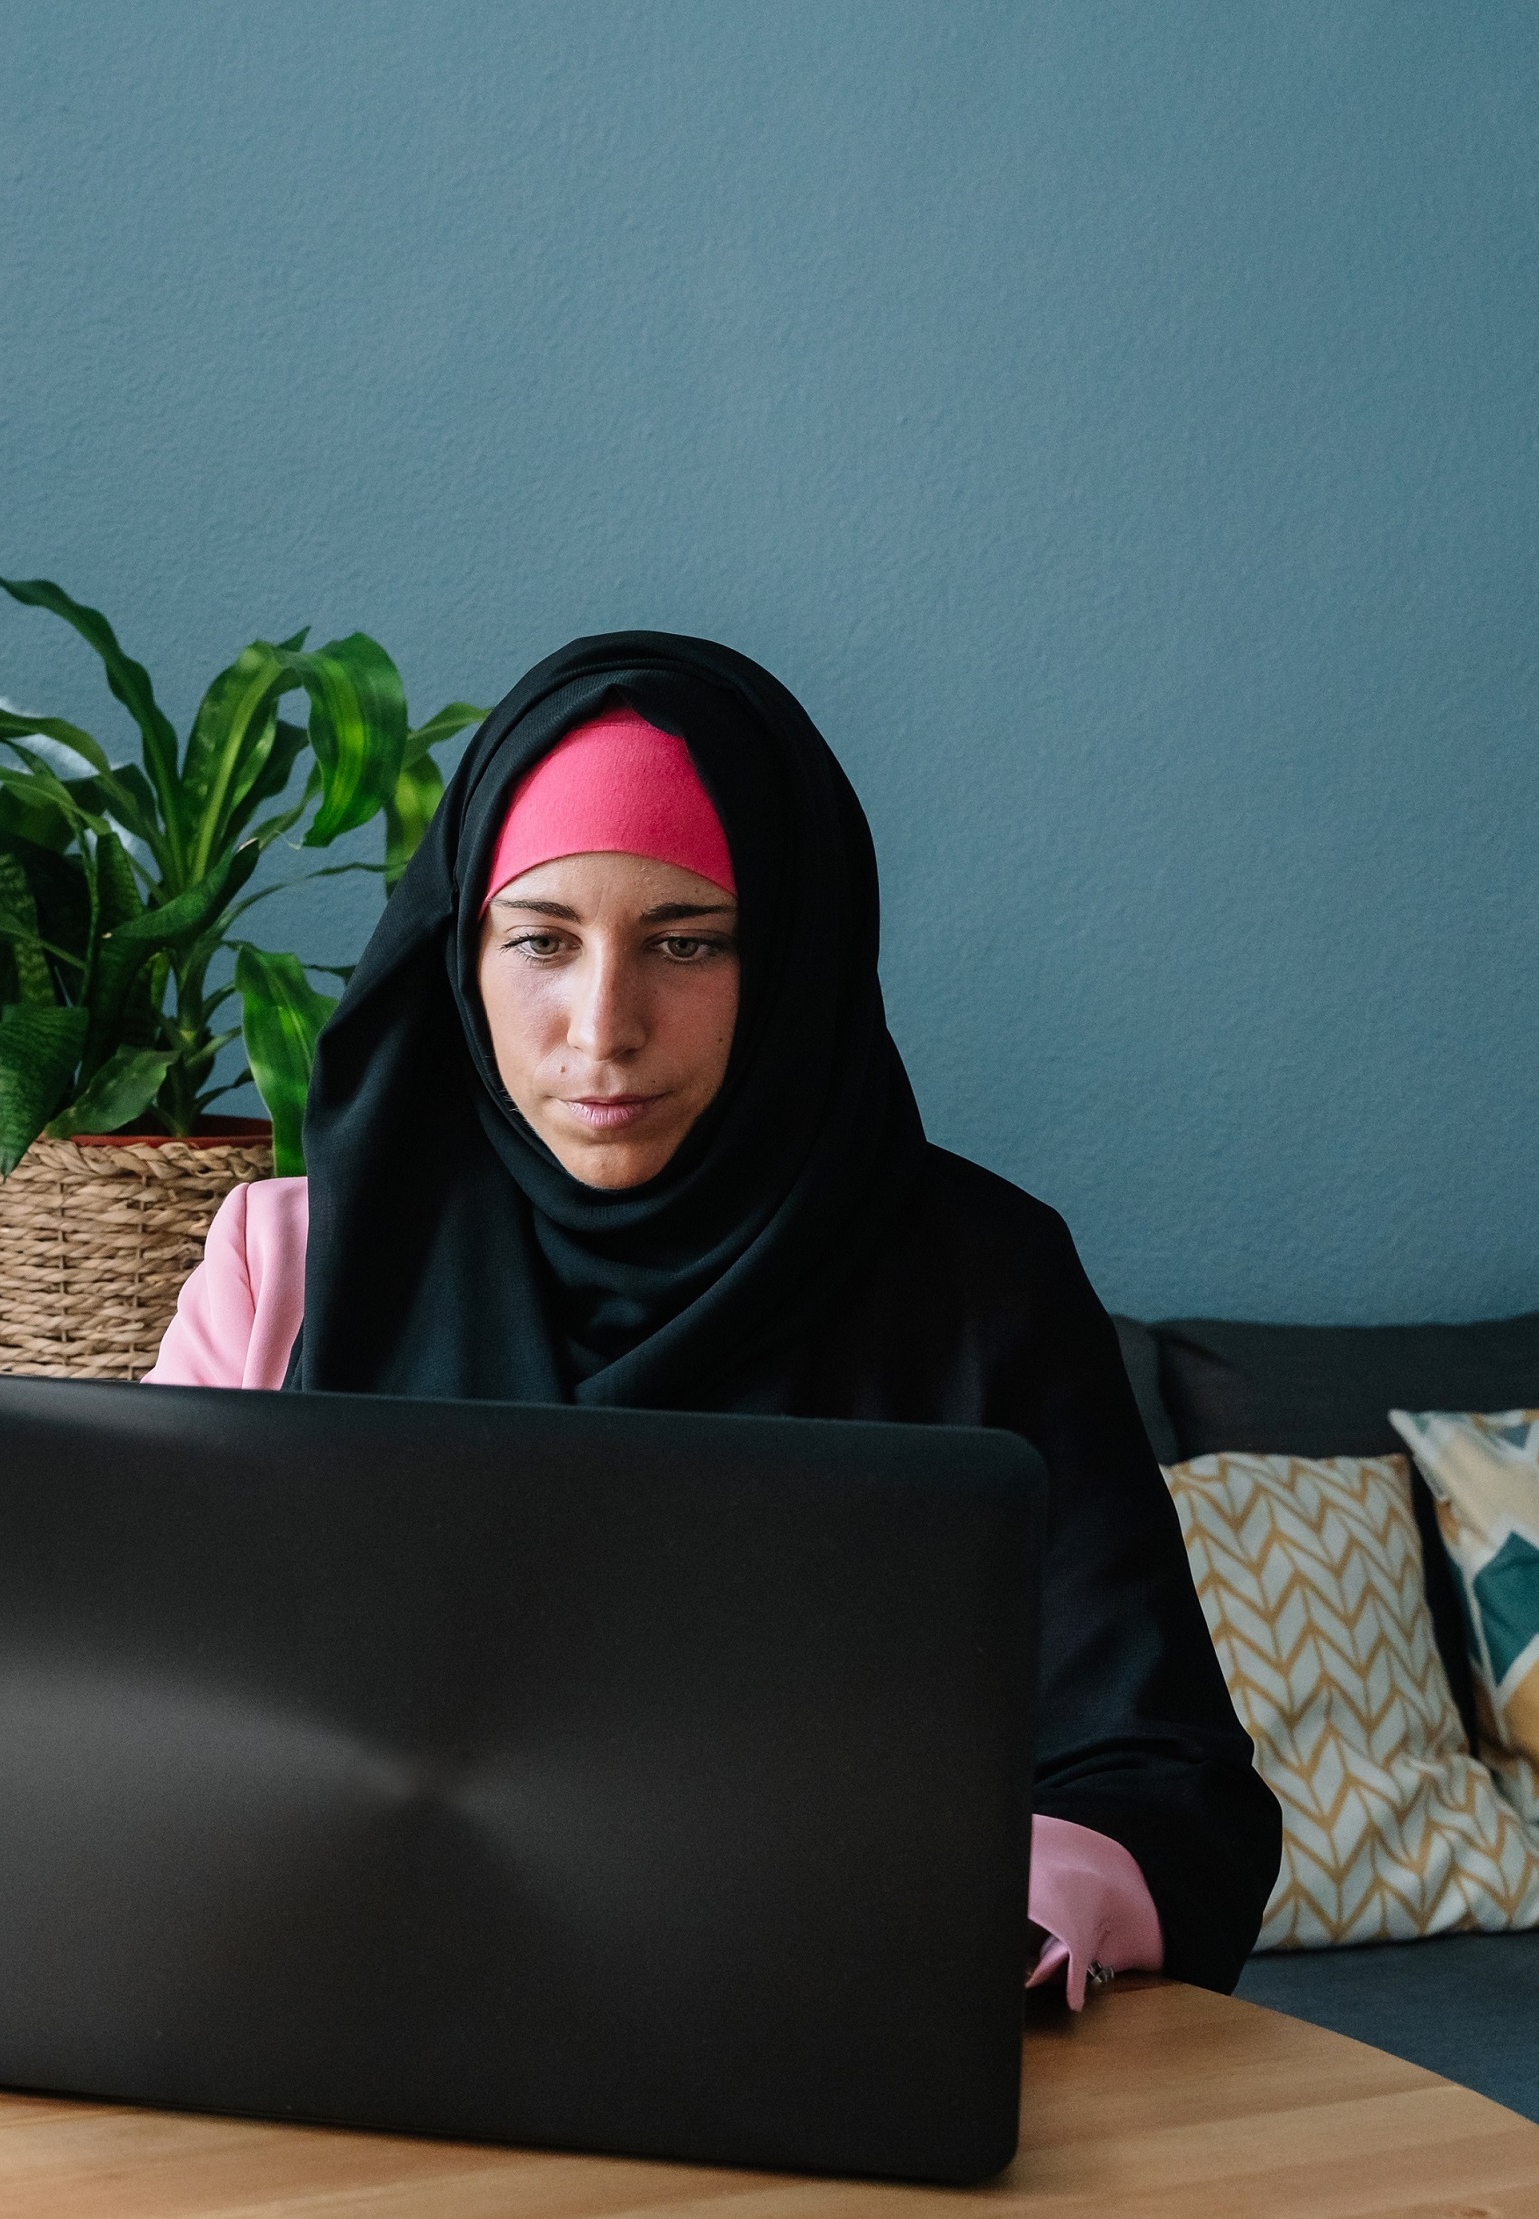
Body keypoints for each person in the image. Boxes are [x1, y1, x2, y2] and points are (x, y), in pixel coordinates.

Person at [148, 631, 1279, 2006]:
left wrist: (980, 1920)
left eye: (685, 944)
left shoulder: (984, 1287)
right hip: (351, 2023)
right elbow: (155, 1730)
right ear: (464, 951)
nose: (603, 1027)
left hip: (815, 2040)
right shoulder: (290, 1272)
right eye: (543, 943)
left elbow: (1165, 1782)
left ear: (790, 960)